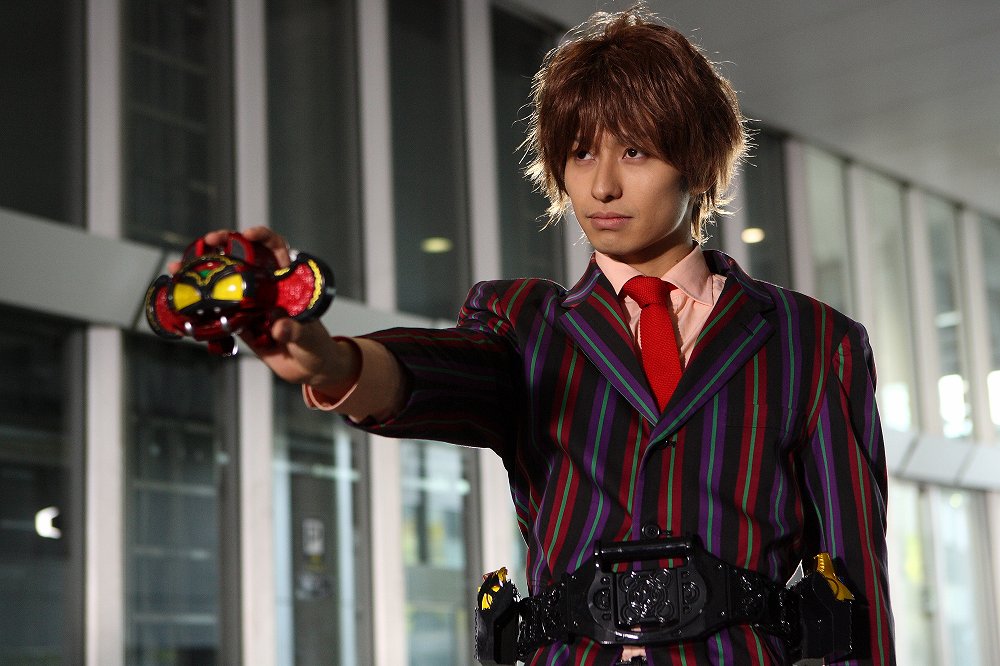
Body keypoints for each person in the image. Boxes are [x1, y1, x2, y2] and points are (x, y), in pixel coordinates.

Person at [194, 6, 894, 665]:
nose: (603, 186)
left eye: (636, 152)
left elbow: (854, 583)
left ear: (699, 162)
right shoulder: (524, 325)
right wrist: (331, 361)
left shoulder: (812, 340)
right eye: (582, 154)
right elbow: (438, 376)